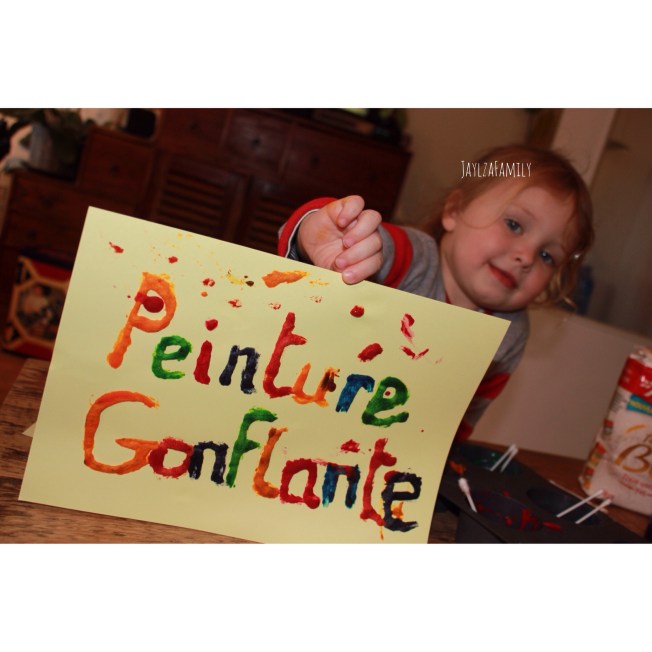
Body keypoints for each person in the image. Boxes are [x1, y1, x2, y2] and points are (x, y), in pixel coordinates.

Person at [278, 144, 595, 442]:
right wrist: (323, 236)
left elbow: (458, 423)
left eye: (547, 256)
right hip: (300, 415)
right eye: (513, 225)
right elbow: (361, 243)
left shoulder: (511, 334)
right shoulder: (411, 257)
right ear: (454, 211)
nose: (526, 257)